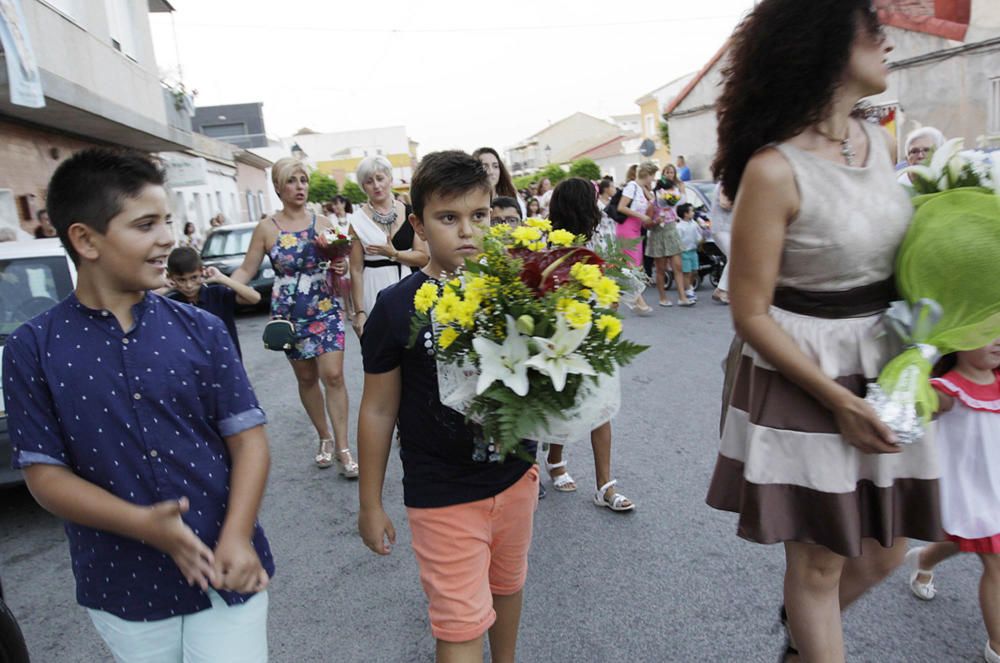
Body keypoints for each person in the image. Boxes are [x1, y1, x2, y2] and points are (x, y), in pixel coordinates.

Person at [703, 2, 943, 661]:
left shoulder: (878, 141)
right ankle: (811, 635)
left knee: (889, 549)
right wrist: (839, 400)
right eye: (873, 30)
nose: (887, 41)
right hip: (802, 374)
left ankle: (803, 638)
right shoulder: (774, 169)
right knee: (817, 564)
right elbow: (749, 311)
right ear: (827, 44)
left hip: (883, 362)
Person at [1, 148, 274, 662]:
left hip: (226, 564)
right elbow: (44, 475)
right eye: (146, 224)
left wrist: (238, 534)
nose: (168, 237)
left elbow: (249, 441)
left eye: (167, 221)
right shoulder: (32, 349)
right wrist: (144, 525)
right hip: (123, 581)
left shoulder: (202, 331)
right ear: (85, 239)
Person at [358, 150, 539, 663]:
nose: (467, 231)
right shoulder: (396, 308)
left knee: (507, 585)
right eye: (448, 218)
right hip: (441, 493)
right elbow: (376, 410)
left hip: (515, 477)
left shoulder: (516, 289)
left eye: (478, 216)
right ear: (418, 223)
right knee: (460, 625)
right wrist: (370, 503)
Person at [232, 157, 357, 476]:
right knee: (306, 377)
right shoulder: (266, 228)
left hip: (325, 305)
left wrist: (339, 265)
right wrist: (222, 284)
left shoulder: (322, 222)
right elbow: (247, 269)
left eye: (303, 180)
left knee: (333, 375)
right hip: (289, 312)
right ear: (277, 187)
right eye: (292, 180)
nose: (300, 186)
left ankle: (343, 446)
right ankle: (324, 437)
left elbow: (338, 262)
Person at [542, 177, 635, 512]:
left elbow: (613, 287)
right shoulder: (548, 242)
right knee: (560, 403)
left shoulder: (602, 237)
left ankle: (605, 487)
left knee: (600, 406)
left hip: (595, 332)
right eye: (592, 200)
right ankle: (555, 460)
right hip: (561, 332)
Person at [906, 341, 1000, 662]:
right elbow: (911, 414)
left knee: (963, 541)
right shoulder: (946, 390)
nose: (998, 340)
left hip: (996, 485)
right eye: (987, 333)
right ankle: (997, 646)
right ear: (958, 340)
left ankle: (924, 561)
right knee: (996, 560)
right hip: (971, 493)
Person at [347, 155, 429, 336]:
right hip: (374, 286)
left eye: (380, 178)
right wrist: (360, 312)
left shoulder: (411, 213)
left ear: (390, 179)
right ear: (363, 186)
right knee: (381, 348)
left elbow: (423, 258)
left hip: (409, 283)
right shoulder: (357, 222)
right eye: (369, 181)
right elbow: (355, 270)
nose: (376, 185)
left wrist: (394, 254)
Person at [165, 246, 261, 359]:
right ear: (171, 277)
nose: (189, 285)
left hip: (226, 360)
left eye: (194, 277)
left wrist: (221, 278)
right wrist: (167, 288)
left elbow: (255, 298)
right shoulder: (170, 302)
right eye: (181, 280)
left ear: (202, 271)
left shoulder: (217, 294)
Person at [615, 161, 656, 314]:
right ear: (648, 175)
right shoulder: (631, 187)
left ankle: (629, 297)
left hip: (635, 228)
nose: (653, 179)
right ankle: (639, 302)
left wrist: (647, 188)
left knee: (634, 265)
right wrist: (642, 216)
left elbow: (652, 200)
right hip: (627, 227)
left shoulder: (640, 188)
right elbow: (621, 207)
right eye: (652, 176)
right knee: (632, 266)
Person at [647, 181, 692, 307]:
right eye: (670, 190)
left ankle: (682, 297)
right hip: (658, 235)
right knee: (661, 269)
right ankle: (662, 297)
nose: (672, 192)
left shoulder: (674, 201)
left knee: (678, 267)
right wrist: (656, 221)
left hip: (672, 232)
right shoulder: (652, 204)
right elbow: (646, 224)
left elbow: (683, 200)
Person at [473, 147, 526, 217]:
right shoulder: (469, 201)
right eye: (484, 167)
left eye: (495, 166)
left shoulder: (512, 196)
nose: (491, 172)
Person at [675, 203, 703, 304]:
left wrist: (700, 240)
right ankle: (688, 291)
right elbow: (678, 241)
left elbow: (698, 235)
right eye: (691, 211)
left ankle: (689, 286)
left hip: (693, 251)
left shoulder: (694, 223)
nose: (693, 213)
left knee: (694, 271)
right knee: (687, 273)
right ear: (685, 214)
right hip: (684, 252)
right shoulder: (679, 227)